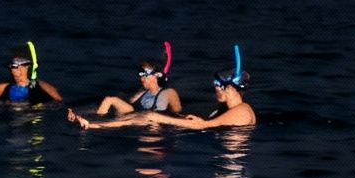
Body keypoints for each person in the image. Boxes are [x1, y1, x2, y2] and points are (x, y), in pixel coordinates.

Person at [70, 46, 255, 131]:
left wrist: (162, 118)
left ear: (230, 88)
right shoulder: (228, 109)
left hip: (216, 148)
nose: (214, 88)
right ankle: (94, 123)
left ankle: (94, 126)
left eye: (217, 85)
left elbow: (204, 125)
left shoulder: (242, 111)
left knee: (150, 117)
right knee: (145, 116)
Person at [0, 44, 65, 106]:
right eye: (14, 66)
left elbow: (60, 103)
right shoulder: (3, 87)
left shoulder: (42, 86)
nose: (18, 70)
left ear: (28, 67)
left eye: (22, 65)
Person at [95, 47, 182, 117]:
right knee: (110, 99)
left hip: (154, 124)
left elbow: (177, 113)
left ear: (156, 75)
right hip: (135, 118)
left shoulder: (169, 93)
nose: (142, 78)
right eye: (141, 75)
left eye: (146, 75)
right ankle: (97, 120)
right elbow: (129, 105)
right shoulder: (141, 92)